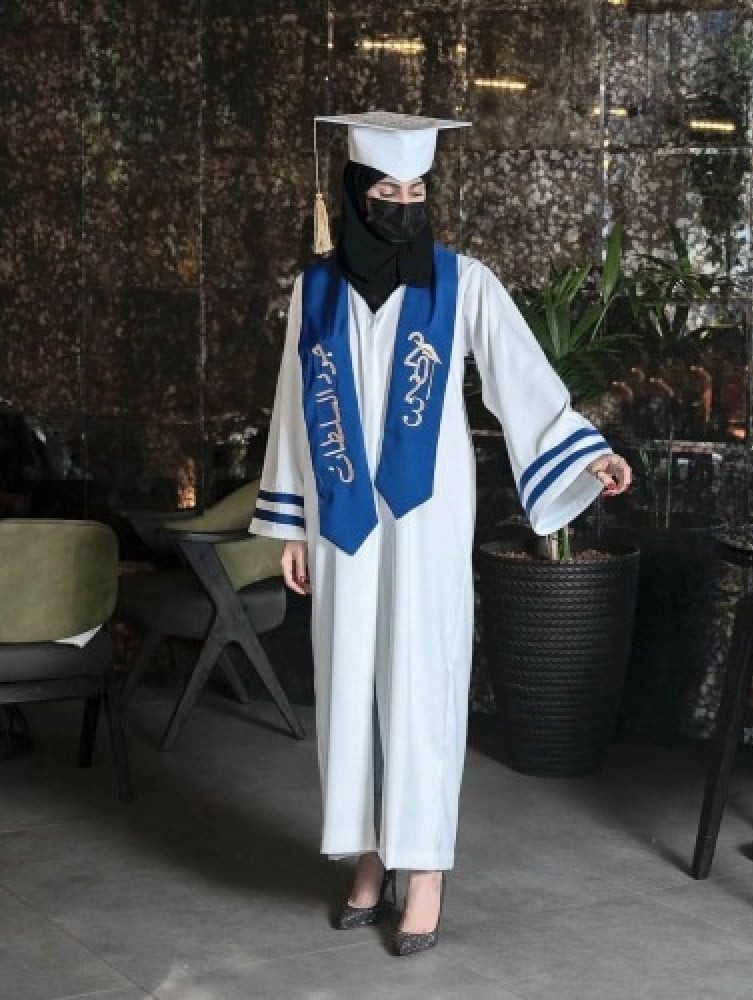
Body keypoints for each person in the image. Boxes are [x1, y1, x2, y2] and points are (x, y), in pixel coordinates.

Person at [249, 112, 632, 956]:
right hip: (342, 516)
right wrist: (289, 524)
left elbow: (520, 376)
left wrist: (586, 452)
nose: (403, 204)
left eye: (417, 189)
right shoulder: (314, 291)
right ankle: (367, 854)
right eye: (387, 189)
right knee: (347, 679)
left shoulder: (464, 282)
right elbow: (291, 407)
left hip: (426, 516)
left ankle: (424, 868)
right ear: (357, 193)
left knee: (422, 679)